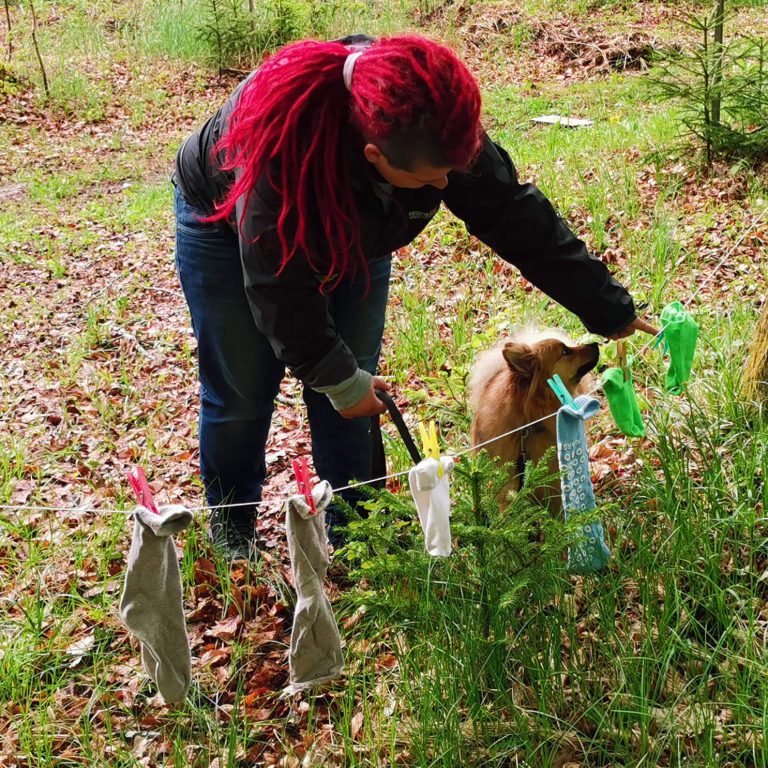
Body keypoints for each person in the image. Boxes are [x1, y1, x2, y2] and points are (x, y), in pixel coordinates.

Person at [172, 33, 656, 560]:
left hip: (361, 227)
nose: (451, 182)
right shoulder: (281, 159)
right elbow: (279, 286)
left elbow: (514, 214)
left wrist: (606, 304)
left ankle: (359, 533)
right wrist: (332, 375)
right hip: (225, 224)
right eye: (436, 178)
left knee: (357, 384)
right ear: (376, 156)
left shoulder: (431, 122)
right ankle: (232, 521)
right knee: (243, 391)